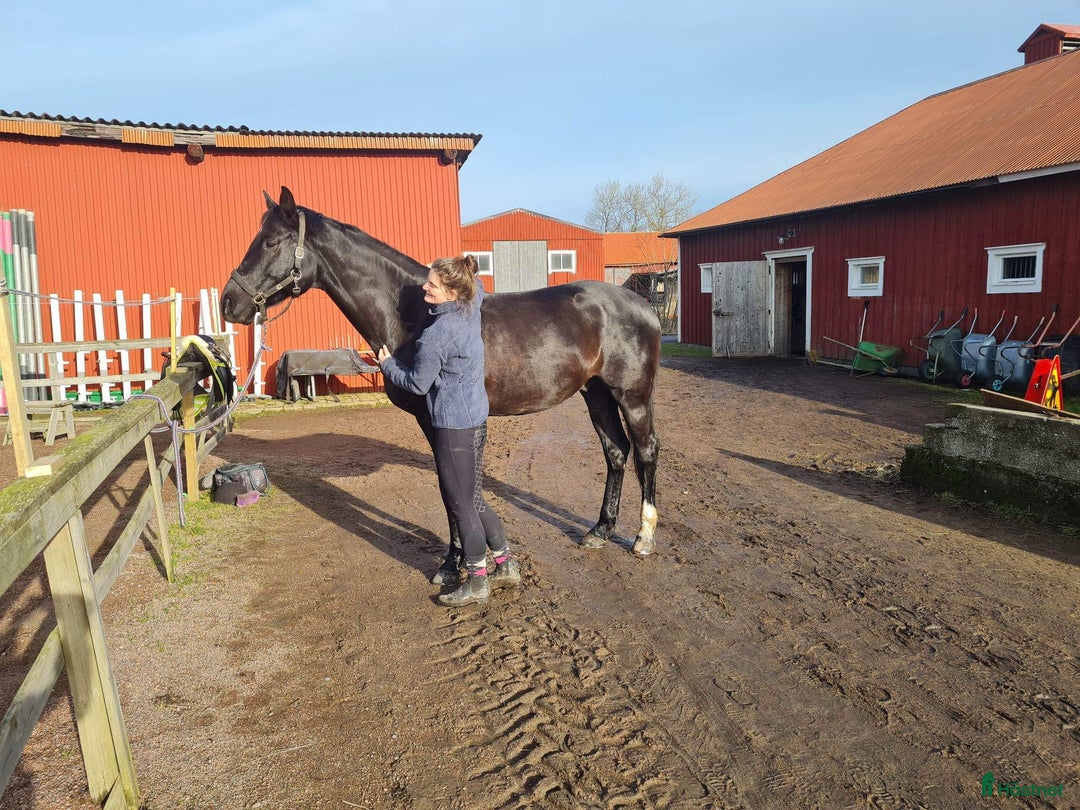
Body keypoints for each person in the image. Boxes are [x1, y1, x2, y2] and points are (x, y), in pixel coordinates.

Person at [376, 255, 520, 606]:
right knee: (474, 497)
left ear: (452, 291)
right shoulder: (472, 306)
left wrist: (387, 364)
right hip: (476, 419)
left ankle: (477, 581)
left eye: (433, 285)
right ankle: (505, 563)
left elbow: (417, 383)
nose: (424, 287)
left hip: (453, 427)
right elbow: (479, 284)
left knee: (461, 505)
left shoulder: (437, 336)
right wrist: (466, 267)